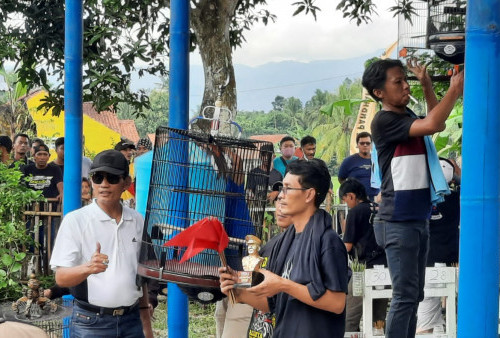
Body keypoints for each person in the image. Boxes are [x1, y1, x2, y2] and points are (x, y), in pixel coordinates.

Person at [362, 58, 464, 338]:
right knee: (405, 297)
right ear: (379, 92)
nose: (407, 85)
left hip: (416, 219)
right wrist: (454, 89)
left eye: (407, 79)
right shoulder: (385, 121)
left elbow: (437, 123)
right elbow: (432, 123)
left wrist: (428, 85)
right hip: (398, 221)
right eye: (398, 81)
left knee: (414, 295)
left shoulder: (404, 115)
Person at [219, 159, 349, 338]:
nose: (280, 195)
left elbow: (337, 303)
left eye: (288, 188)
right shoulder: (283, 242)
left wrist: (283, 285)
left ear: (309, 195)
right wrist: (237, 290)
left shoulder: (329, 242)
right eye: (282, 189)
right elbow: (272, 304)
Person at [49, 149, 153, 337]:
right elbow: (61, 278)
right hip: (91, 322)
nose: (104, 184)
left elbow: (142, 274)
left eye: (112, 178)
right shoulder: (76, 221)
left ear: (126, 183)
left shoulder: (137, 221)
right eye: (98, 177)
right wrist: (88, 268)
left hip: (131, 319)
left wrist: (145, 320)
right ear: (91, 182)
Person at [416, 158, 460, 334]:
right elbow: (472, 189)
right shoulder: (457, 198)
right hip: (452, 258)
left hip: (427, 259)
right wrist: (456, 175)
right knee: (459, 302)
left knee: (426, 321)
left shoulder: (421, 198)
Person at [339, 178, 387, 333]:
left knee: (351, 312)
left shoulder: (355, 212)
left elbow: (347, 246)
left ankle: (349, 334)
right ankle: (378, 334)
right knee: (379, 315)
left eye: (345, 200)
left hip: (365, 269)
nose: (346, 203)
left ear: (351, 196)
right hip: (385, 268)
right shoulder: (380, 208)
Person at [247, 194, 293, 338]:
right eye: (278, 200)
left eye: (287, 202)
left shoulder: (312, 246)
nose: (280, 207)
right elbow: (256, 287)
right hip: (260, 329)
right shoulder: (270, 245)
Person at [338, 132, 379, 201]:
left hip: (376, 200)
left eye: (368, 143)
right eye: (362, 143)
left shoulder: (378, 160)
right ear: (357, 145)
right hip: (356, 201)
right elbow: (341, 179)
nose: (365, 145)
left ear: (371, 145)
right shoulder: (349, 161)